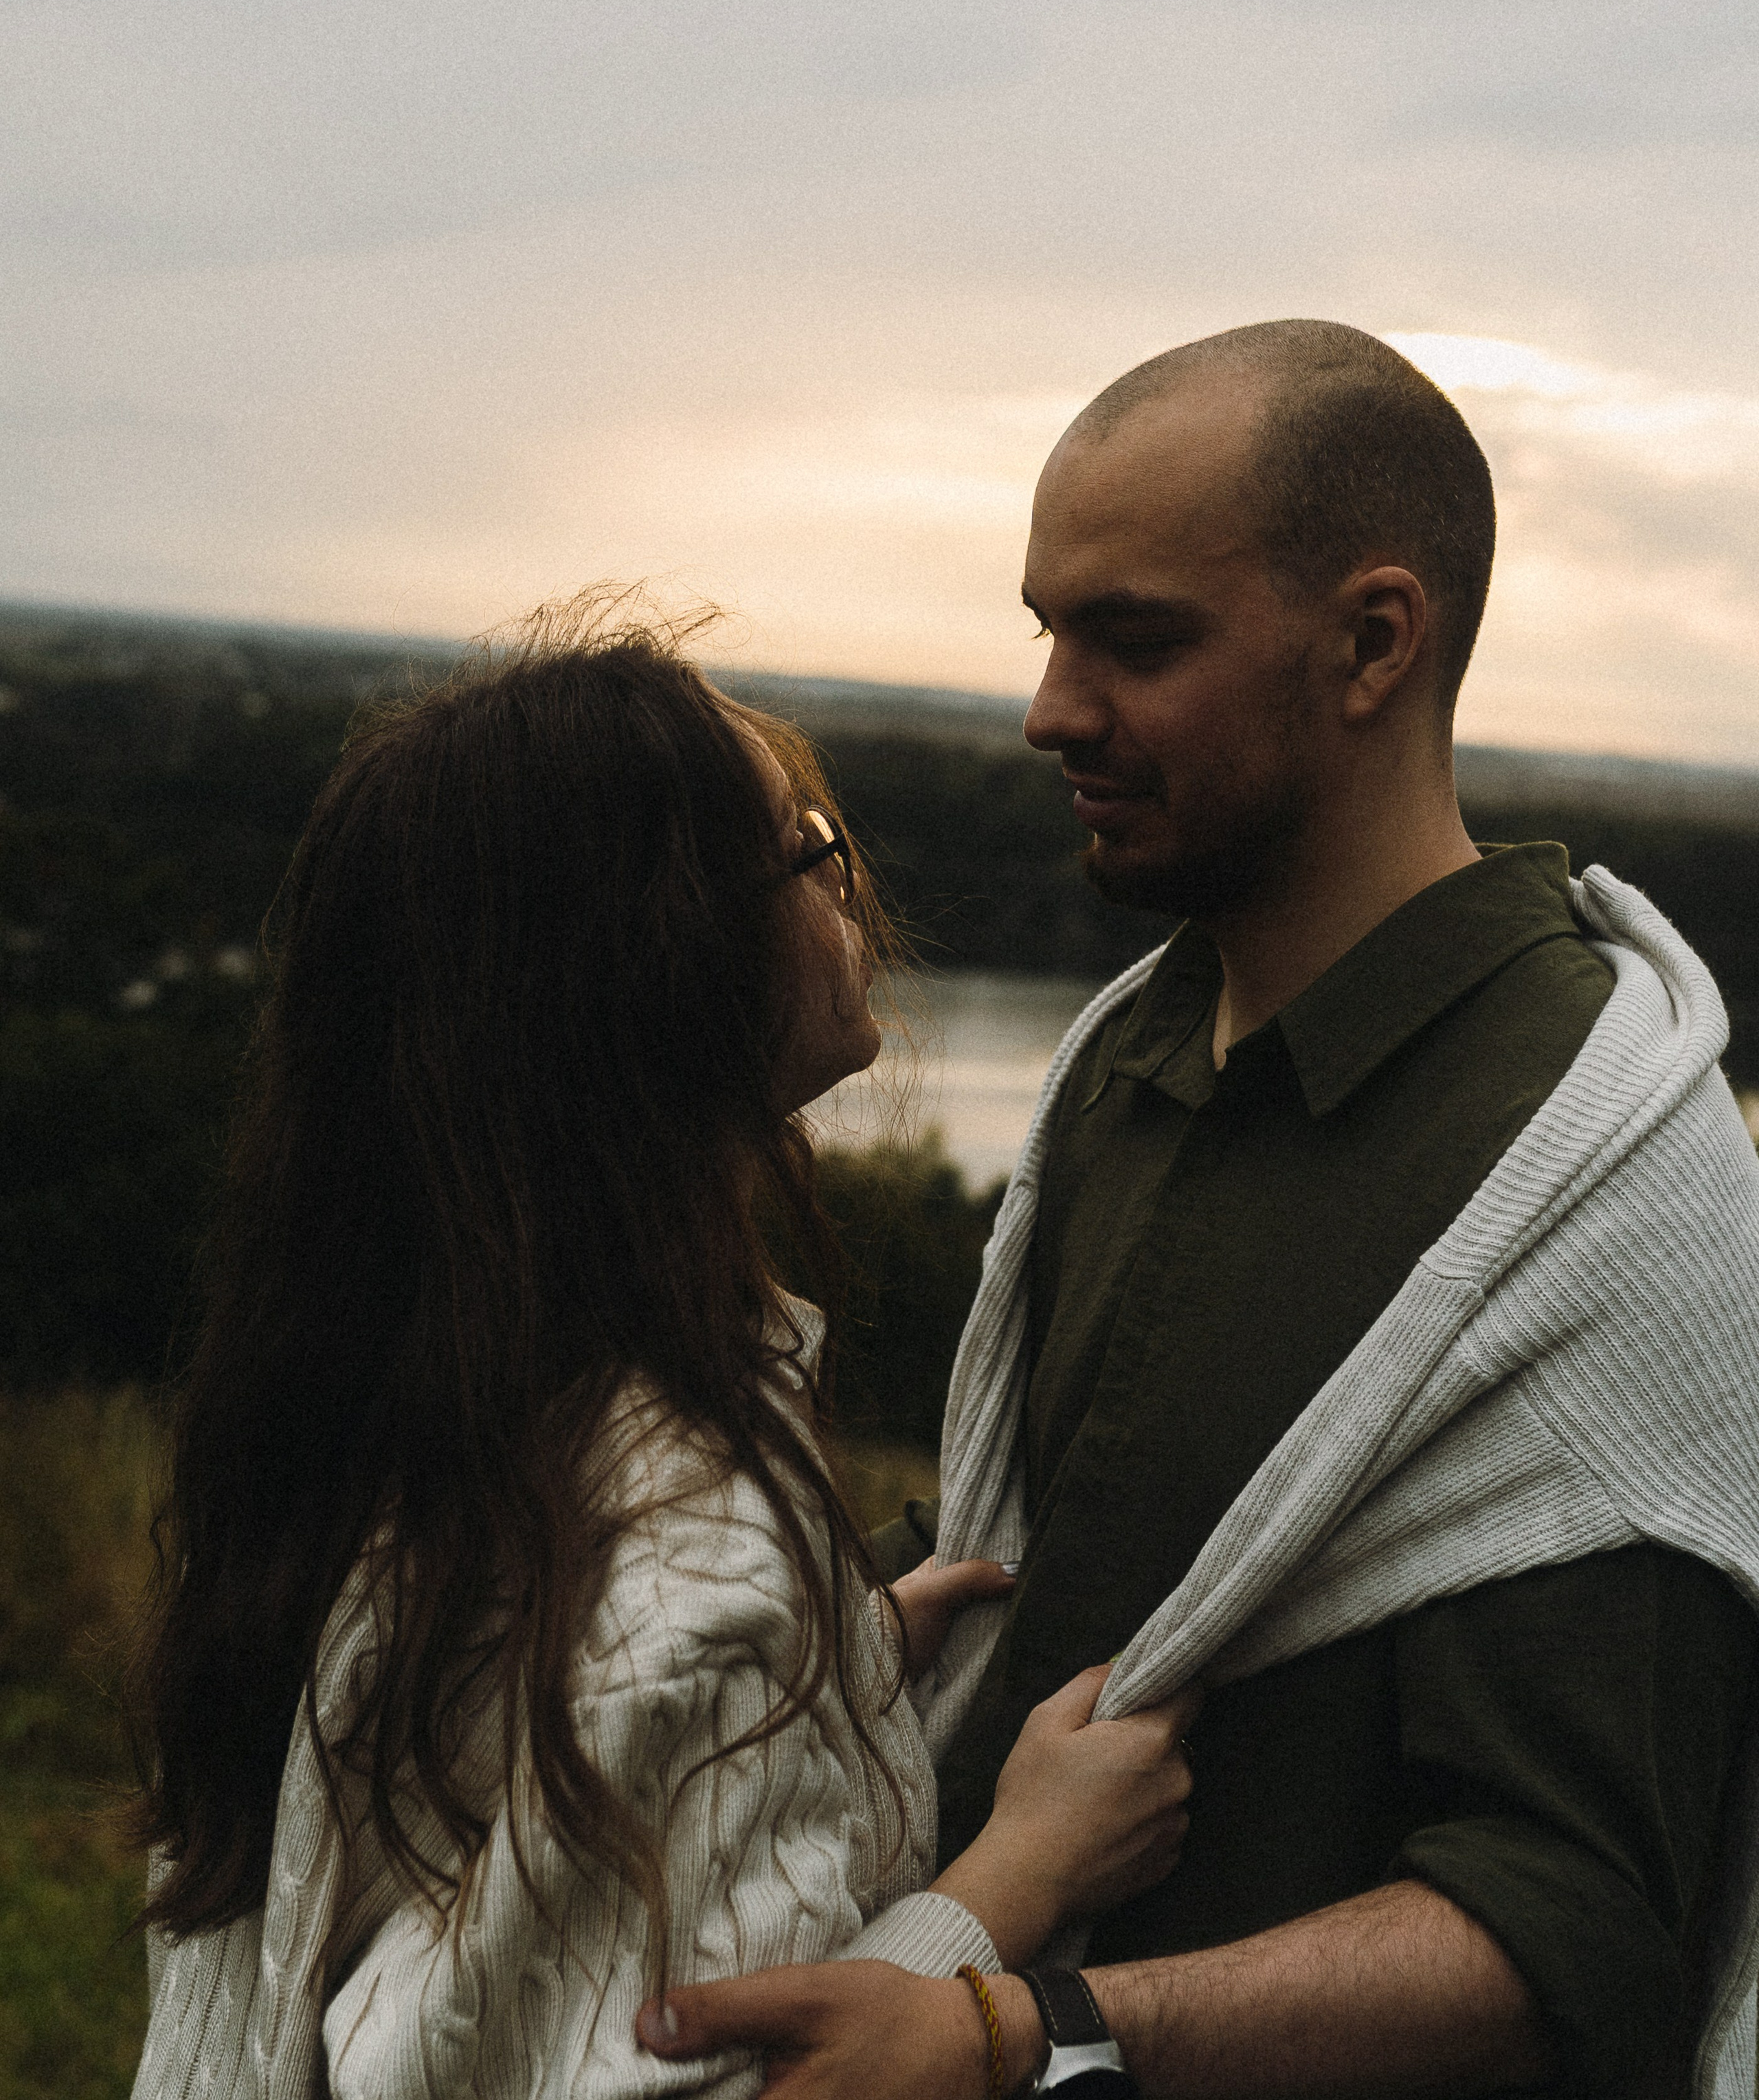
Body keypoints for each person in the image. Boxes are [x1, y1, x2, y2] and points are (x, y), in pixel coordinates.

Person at [636, 324, 1759, 2099]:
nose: (1050, 707)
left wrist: (1033, 2032)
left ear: (1373, 639)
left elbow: (1584, 1918)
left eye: (1138, 639)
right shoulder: (1126, 1053)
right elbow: (1048, 1580)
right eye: (1048, 629)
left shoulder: (1593, 1151)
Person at [126, 596, 1200, 2100]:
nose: (847, 888)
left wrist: (820, 1684)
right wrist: (1014, 1876)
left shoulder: (390, 1395)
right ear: (663, 967)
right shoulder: (684, 1541)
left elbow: (496, 1838)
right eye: (807, 850)